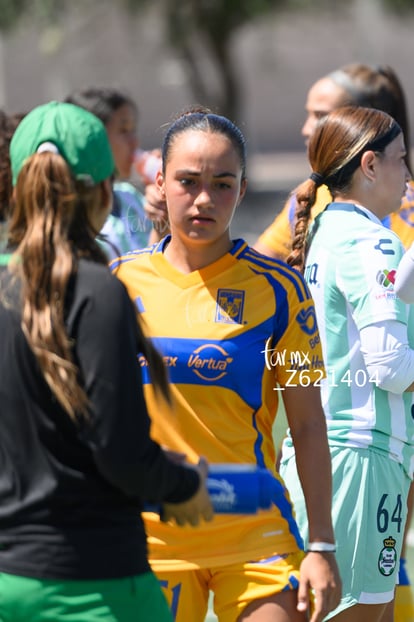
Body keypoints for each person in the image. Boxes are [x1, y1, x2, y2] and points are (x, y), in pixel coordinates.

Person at [111, 107, 341, 622]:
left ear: (240, 190)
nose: (203, 199)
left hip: (253, 527)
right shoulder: (115, 284)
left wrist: (321, 546)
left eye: (222, 183)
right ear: (161, 185)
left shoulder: (282, 290)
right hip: (150, 537)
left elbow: (306, 423)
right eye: (188, 182)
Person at [0, 100, 214, 622]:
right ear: (102, 193)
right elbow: (119, 452)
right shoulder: (98, 292)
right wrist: (184, 486)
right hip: (98, 586)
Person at [279, 105, 414, 621]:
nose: (407, 173)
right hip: (359, 458)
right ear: (371, 165)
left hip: (334, 456)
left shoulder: (328, 231)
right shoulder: (370, 240)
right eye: (401, 160)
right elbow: (388, 367)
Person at [254, 63, 414, 259]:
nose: (306, 129)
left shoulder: (402, 204)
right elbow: (257, 266)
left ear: (364, 123)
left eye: (321, 116)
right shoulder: (309, 198)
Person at [64, 87, 157, 259]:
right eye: (123, 131)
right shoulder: (72, 216)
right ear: (92, 140)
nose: (135, 142)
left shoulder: (130, 198)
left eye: (133, 130)